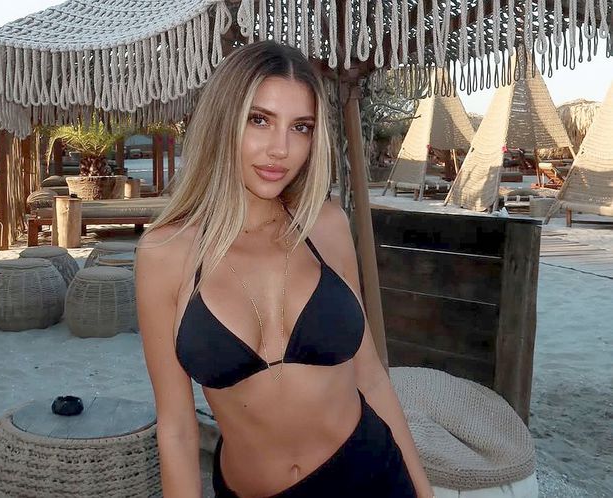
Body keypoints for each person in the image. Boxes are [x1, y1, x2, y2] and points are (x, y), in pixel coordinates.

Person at [135, 41, 433, 498]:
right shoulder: (165, 253)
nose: (281, 149)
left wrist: (423, 491)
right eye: (260, 120)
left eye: (301, 127)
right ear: (223, 121)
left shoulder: (326, 226)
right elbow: (176, 427)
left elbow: (371, 376)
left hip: (372, 473)